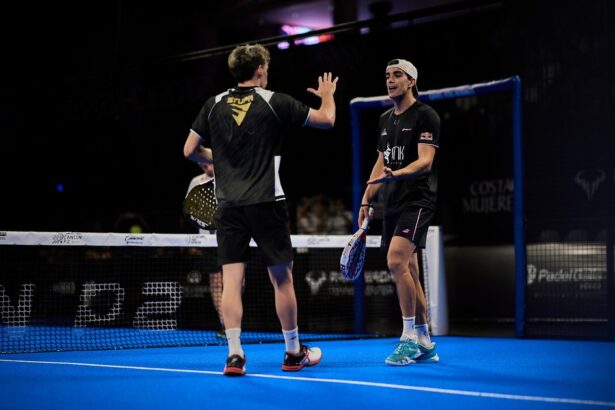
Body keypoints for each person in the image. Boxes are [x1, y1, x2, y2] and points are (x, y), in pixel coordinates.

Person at [183, 43, 338, 376]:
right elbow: (327, 120)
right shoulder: (274, 101)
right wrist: (327, 95)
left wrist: (220, 159)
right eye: (266, 68)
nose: (267, 72)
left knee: (230, 281)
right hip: (267, 203)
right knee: (282, 279)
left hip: (229, 207)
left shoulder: (213, 104)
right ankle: (293, 352)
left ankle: (234, 354)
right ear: (259, 70)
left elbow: (190, 150)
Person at [359, 58, 440, 366]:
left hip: (417, 201)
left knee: (395, 261)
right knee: (411, 272)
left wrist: (398, 174)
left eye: (397, 75)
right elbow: (380, 163)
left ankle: (407, 339)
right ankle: (425, 341)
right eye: (387, 75)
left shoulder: (425, 115)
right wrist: (366, 198)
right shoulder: (384, 119)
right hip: (391, 204)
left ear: (411, 81)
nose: (390, 80)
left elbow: (426, 161)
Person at [185, 162, 226, 338]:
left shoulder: (228, 179)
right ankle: (225, 323)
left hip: (228, 239)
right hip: (208, 242)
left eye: (209, 164)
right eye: (202, 166)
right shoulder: (196, 182)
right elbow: (189, 209)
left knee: (237, 282)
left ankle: (233, 318)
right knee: (216, 283)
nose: (206, 168)